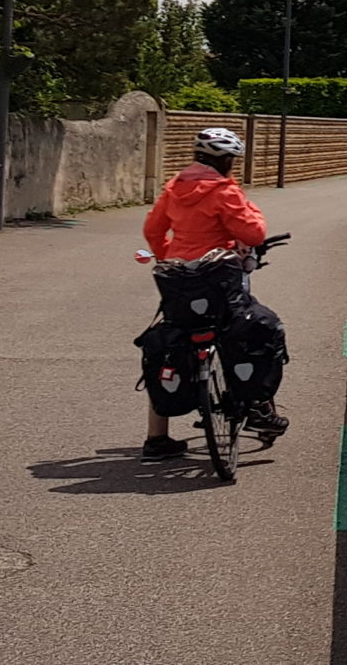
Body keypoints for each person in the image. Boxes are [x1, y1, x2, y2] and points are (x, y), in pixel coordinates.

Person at [139, 128, 287, 459]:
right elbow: (253, 232)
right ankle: (259, 408)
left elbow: (153, 230)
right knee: (252, 328)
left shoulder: (174, 187)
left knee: (169, 342)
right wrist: (252, 209)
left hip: (178, 281)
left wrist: (168, 257)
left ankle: (156, 438)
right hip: (218, 279)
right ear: (226, 161)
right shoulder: (224, 191)